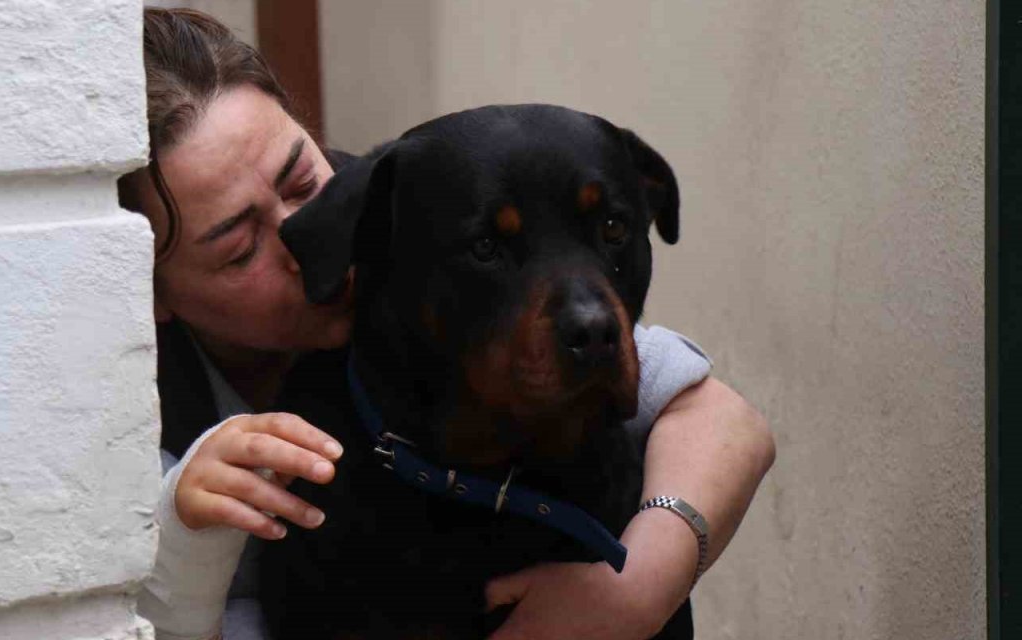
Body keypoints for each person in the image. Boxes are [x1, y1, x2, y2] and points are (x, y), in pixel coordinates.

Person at [117, 8, 775, 640]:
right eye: (239, 247)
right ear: (148, 291)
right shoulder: (121, 431)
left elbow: (724, 421)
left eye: (299, 178)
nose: (300, 235)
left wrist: (634, 590)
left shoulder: (393, 204)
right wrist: (186, 534)